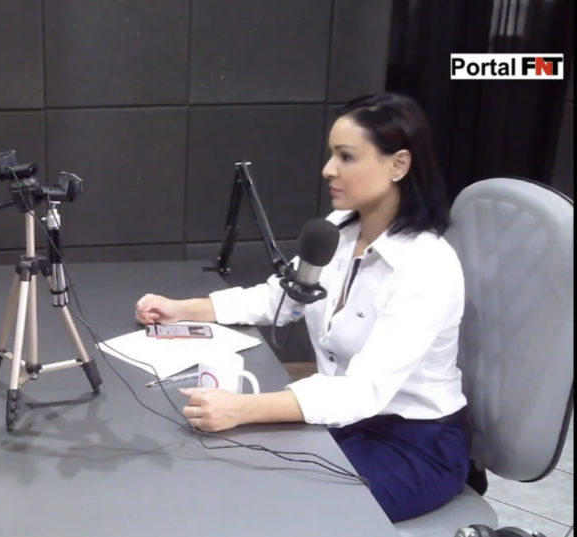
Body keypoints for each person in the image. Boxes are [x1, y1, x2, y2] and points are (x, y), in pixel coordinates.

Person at [135, 93, 467, 523]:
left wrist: (241, 408)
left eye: (346, 157)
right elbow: (280, 298)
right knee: (224, 479)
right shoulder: (336, 231)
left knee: (282, 514)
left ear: (398, 165)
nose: (328, 169)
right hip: (342, 422)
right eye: (332, 155)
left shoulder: (426, 267)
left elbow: (363, 391)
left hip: (413, 445)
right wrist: (184, 309)